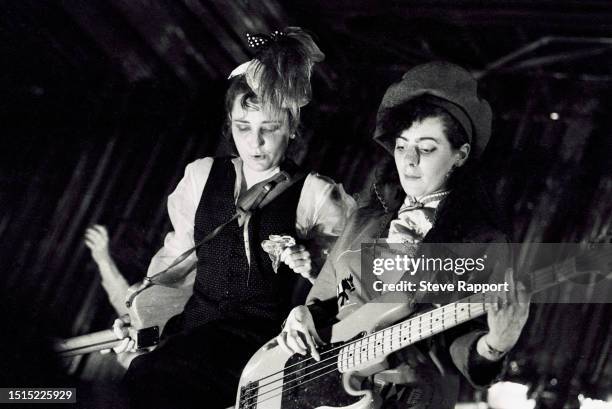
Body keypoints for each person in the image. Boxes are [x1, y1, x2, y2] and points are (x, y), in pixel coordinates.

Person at [119, 27, 356, 409]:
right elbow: (177, 260)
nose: (254, 142)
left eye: (269, 129)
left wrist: (311, 263)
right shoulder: (201, 176)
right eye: (242, 127)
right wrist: (140, 311)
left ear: (292, 128)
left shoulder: (314, 193)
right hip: (192, 331)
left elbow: (343, 280)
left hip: (256, 347)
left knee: (157, 379)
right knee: (143, 378)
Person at [277, 61, 530, 409]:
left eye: (426, 149)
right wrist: (302, 316)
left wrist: (496, 344)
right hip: (329, 394)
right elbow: (322, 303)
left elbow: (460, 341)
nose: (409, 160)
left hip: (409, 397)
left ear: (460, 155)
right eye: (401, 145)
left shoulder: (482, 243)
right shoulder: (363, 220)